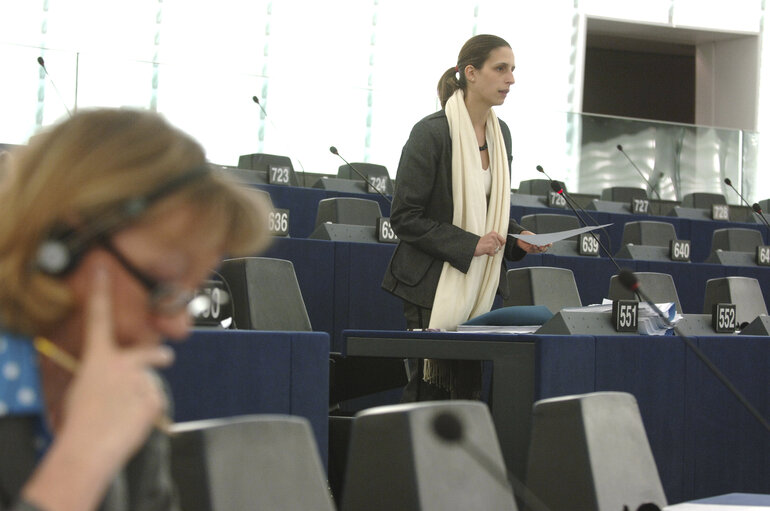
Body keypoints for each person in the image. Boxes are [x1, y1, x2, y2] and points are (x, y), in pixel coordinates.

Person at [0, 109, 269, 511]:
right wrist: (82, 461)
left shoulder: (129, 391)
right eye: (162, 285)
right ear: (61, 245)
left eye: (188, 295)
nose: (178, 327)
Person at [382, 34, 548, 400]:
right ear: (470, 73)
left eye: (513, 70)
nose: (511, 79)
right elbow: (405, 217)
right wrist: (472, 245)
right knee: (431, 394)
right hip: (431, 284)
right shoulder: (431, 133)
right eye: (500, 69)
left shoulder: (501, 133)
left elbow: (491, 210)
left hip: (481, 283)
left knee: (467, 395)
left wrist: (518, 236)